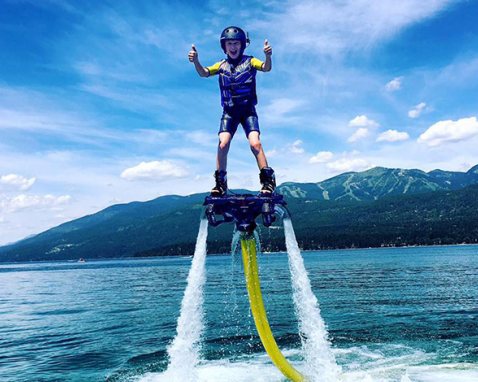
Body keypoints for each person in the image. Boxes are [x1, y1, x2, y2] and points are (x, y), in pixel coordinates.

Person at [188, 26, 276, 197]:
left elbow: (266, 67)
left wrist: (267, 55)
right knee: (223, 143)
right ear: (224, 46)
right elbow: (204, 73)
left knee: (255, 143)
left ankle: (268, 180)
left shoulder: (250, 61)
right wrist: (196, 61)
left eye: (236, 43)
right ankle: (220, 183)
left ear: (242, 45)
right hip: (229, 112)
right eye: (229, 44)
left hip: (248, 110)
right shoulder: (221, 65)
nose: (233, 47)